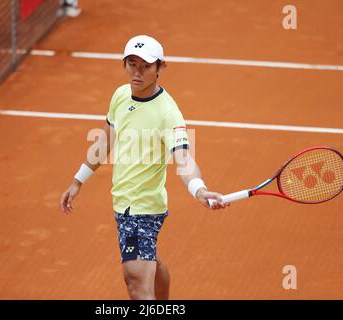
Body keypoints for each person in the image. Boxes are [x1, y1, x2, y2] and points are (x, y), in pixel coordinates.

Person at [60, 35, 229, 300]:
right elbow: (106, 139)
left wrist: (199, 189)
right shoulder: (120, 95)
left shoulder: (168, 113)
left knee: (135, 279)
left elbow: (183, 159)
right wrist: (77, 180)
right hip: (123, 201)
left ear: (161, 68)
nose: (136, 72)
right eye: (131, 63)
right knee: (148, 260)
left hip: (143, 208)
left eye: (145, 66)